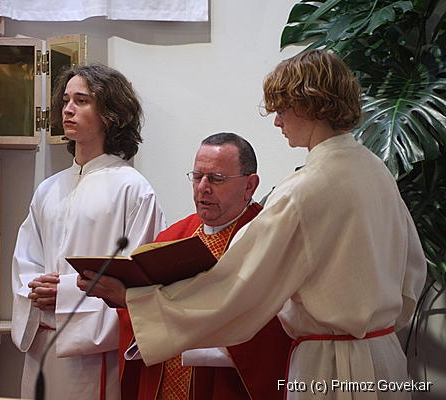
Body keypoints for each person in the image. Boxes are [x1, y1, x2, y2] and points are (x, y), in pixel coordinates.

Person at [78, 50, 427, 399]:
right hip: (385, 358)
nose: (277, 122)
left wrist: (135, 299)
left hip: (330, 366)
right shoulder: (376, 171)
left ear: (306, 105)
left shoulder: (306, 189)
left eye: (281, 110)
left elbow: (237, 286)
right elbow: (412, 272)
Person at [11, 63, 166, 400]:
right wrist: (35, 289)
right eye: (66, 100)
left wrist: (65, 293)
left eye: (81, 101)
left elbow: (139, 276)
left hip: (90, 352)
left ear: (111, 114)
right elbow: (26, 260)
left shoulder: (133, 189)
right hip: (40, 345)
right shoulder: (48, 188)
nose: (67, 109)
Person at [109, 132, 292, 400]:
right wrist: (128, 299)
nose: (202, 188)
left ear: (250, 186)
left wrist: (187, 331)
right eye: (197, 177)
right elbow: (135, 317)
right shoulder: (171, 238)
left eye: (217, 179)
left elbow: (274, 330)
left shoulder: (268, 240)